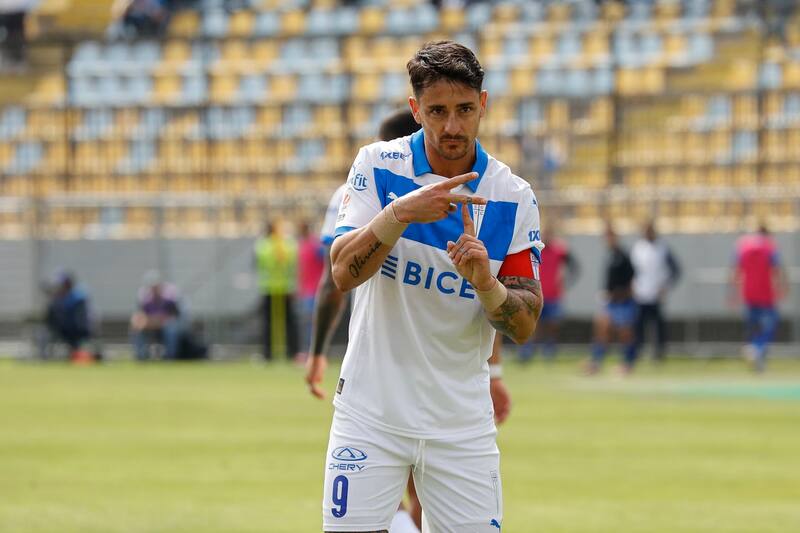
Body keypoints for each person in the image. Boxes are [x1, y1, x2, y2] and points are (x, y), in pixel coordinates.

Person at [320, 41, 543, 532]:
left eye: (465, 110)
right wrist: (398, 214)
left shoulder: (511, 196)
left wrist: (486, 282)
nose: (452, 127)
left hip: (460, 425)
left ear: (482, 104)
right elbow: (342, 272)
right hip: (370, 413)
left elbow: (523, 323)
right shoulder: (378, 167)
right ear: (415, 109)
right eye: (437, 111)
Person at [729, 222, 789, 372]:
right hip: (766, 293)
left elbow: (735, 271)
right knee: (769, 325)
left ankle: (756, 355)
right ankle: (758, 349)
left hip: (749, 292)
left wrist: (734, 293)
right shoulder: (769, 247)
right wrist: (782, 287)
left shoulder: (743, 246)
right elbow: (777, 269)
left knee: (754, 326)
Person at [517, 220, 579, 362]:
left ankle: (549, 348)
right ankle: (528, 350)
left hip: (553, 294)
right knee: (534, 323)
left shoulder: (560, 250)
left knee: (552, 324)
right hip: (537, 293)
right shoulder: (536, 249)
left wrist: (565, 282)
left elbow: (574, 266)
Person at [587, 223, 637, 375]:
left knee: (625, 333)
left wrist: (621, 295)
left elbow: (631, 280)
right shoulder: (609, 256)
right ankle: (596, 362)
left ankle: (627, 363)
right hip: (611, 302)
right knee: (602, 329)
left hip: (623, 301)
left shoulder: (623, 256)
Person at [630, 220, 681, 363]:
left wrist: (666, 286)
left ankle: (659, 354)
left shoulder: (662, 247)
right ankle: (637, 352)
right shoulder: (638, 248)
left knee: (658, 325)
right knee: (638, 325)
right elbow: (632, 271)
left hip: (656, 293)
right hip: (640, 293)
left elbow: (675, 270)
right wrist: (632, 286)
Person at [254, 220, 299, 361]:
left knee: (268, 322)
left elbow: (258, 262)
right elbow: (293, 264)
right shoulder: (288, 244)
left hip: (269, 287)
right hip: (285, 286)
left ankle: (268, 354)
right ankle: (292, 352)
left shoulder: (262, 245)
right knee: (289, 322)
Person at [39, 271, 93, 361]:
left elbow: (80, 320)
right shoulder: (60, 298)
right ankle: (45, 357)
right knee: (43, 333)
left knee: (77, 350)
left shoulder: (77, 298)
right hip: (63, 330)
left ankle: (77, 355)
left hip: (76, 331)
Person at [130, 271, 182, 361]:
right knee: (136, 330)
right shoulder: (145, 300)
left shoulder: (168, 299)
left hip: (165, 325)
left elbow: (175, 315)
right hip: (151, 325)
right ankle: (141, 356)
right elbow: (141, 315)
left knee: (171, 330)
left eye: (156, 286)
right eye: (152, 287)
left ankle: (170, 357)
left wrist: (162, 320)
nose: (154, 289)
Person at [296, 220, 325, 361]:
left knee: (313, 323)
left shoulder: (315, 246)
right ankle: (309, 352)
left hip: (316, 290)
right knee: (308, 323)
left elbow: (326, 262)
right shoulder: (303, 245)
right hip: (306, 291)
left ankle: (314, 353)